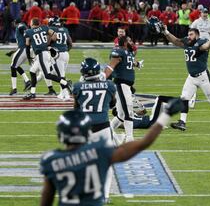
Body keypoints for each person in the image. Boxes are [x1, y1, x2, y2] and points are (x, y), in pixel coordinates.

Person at [39, 99, 183, 206]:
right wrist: (165, 115)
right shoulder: (99, 152)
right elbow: (143, 143)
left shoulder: (51, 160)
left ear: (61, 135)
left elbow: (46, 200)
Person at [158, 23, 210, 131]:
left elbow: (206, 46)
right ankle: (182, 122)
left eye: (191, 34)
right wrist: (165, 31)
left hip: (203, 77)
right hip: (191, 77)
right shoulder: (187, 41)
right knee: (184, 97)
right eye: (188, 34)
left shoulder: (201, 42)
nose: (189, 36)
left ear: (197, 35)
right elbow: (176, 41)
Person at [72, 58, 117, 203]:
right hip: (103, 128)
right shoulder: (109, 85)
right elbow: (112, 105)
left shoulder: (78, 86)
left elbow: (76, 108)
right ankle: (105, 195)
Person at [103, 34, 144, 142]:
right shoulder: (119, 52)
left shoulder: (128, 52)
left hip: (126, 86)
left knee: (121, 115)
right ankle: (129, 138)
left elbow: (130, 61)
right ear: (125, 43)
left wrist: (137, 64)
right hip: (121, 85)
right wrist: (102, 78)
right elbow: (110, 66)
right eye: (130, 41)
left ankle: (107, 133)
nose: (132, 43)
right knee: (128, 112)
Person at [23, 18, 72, 100]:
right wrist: (47, 43)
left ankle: (66, 82)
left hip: (42, 54)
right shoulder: (44, 27)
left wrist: (28, 57)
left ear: (32, 24)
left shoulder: (28, 32)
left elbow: (27, 45)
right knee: (32, 71)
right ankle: (32, 93)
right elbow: (54, 36)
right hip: (44, 53)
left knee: (47, 75)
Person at [48, 17, 73, 100]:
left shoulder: (51, 29)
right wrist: (65, 50)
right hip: (66, 54)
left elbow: (49, 41)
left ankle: (66, 94)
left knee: (60, 76)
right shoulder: (65, 29)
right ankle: (62, 93)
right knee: (58, 73)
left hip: (58, 55)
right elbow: (70, 43)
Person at [8, 19, 31, 95]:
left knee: (13, 66)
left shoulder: (20, 26)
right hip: (23, 49)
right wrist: (13, 51)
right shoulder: (21, 27)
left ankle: (14, 89)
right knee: (16, 66)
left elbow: (26, 34)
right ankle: (27, 81)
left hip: (23, 49)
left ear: (16, 23)